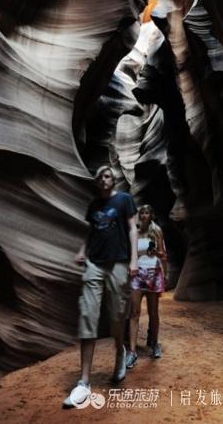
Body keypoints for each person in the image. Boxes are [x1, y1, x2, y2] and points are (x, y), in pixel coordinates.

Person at [63, 165, 138, 408]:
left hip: (118, 262)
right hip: (95, 264)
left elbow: (132, 229)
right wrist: (82, 250)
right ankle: (84, 381)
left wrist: (134, 259)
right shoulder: (94, 205)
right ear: (97, 182)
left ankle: (119, 353)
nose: (103, 179)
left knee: (117, 316)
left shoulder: (125, 200)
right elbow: (91, 231)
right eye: (100, 176)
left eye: (107, 175)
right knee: (88, 314)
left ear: (113, 179)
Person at [126, 204, 167, 367]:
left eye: (147, 213)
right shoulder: (134, 232)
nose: (144, 215)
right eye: (141, 213)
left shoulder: (156, 231)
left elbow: (163, 254)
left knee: (153, 312)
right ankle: (132, 352)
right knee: (134, 312)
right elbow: (131, 254)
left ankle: (154, 344)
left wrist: (155, 252)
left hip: (153, 273)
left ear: (151, 215)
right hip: (138, 275)